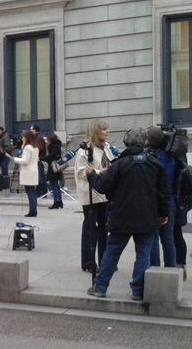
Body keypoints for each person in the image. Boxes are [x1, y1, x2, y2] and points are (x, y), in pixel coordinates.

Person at [85, 128, 170, 300]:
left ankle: (101, 286)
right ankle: (138, 290)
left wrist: (91, 176)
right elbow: (164, 193)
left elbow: (102, 187)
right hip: (147, 217)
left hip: (121, 216)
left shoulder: (119, 164)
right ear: (144, 144)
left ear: (126, 143)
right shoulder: (155, 164)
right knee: (143, 254)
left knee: (112, 252)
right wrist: (164, 213)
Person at [75, 119, 115, 273]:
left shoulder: (107, 147)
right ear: (95, 132)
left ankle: (105, 261)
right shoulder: (85, 150)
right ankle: (88, 262)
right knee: (90, 228)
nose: (107, 132)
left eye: (107, 129)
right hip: (90, 193)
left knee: (104, 228)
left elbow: (110, 163)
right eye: (104, 129)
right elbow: (81, 172)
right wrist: (99, 172)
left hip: (104, 193)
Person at [145, 126, 177, 268]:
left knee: (153, 239)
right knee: (168, 240)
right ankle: (171, 270)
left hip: (152, 203)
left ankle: (154, 269)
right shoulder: (171, 158)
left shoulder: (145, 158)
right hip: (169, 201)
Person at [13, 130, 39, 217]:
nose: (22, 138)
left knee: (30, 192)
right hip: (33, 171)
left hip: (28, 172)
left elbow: (25, 161)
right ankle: (34, 209)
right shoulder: (35, 147)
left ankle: (32, 210)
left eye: (23, 137)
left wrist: (15, 159)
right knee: (33, 191)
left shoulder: (28, 147)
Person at [42, 133, 64, 210]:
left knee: (53, 185)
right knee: (56, 186)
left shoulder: (53, 147)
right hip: (57, 167)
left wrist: (42, 158)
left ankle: (56, 202)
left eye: (48, 140)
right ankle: (60, 201)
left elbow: (50, 156)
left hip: (53, 167)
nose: (47, 142)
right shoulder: (57, 146)